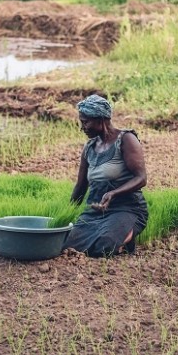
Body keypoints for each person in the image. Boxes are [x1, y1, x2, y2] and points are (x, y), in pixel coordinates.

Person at [63, 94, 149, 257]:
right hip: (95, 211)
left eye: (85, 122)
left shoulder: (126, 139)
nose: (82, 127)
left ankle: (127, 238)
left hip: (126, 209)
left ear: (100, 119)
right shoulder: (89, 148)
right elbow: (81, 186)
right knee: (66, 244)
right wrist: (65, 214)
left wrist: (113, 193)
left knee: (104, 245)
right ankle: (117, 237)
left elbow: (141, 178)